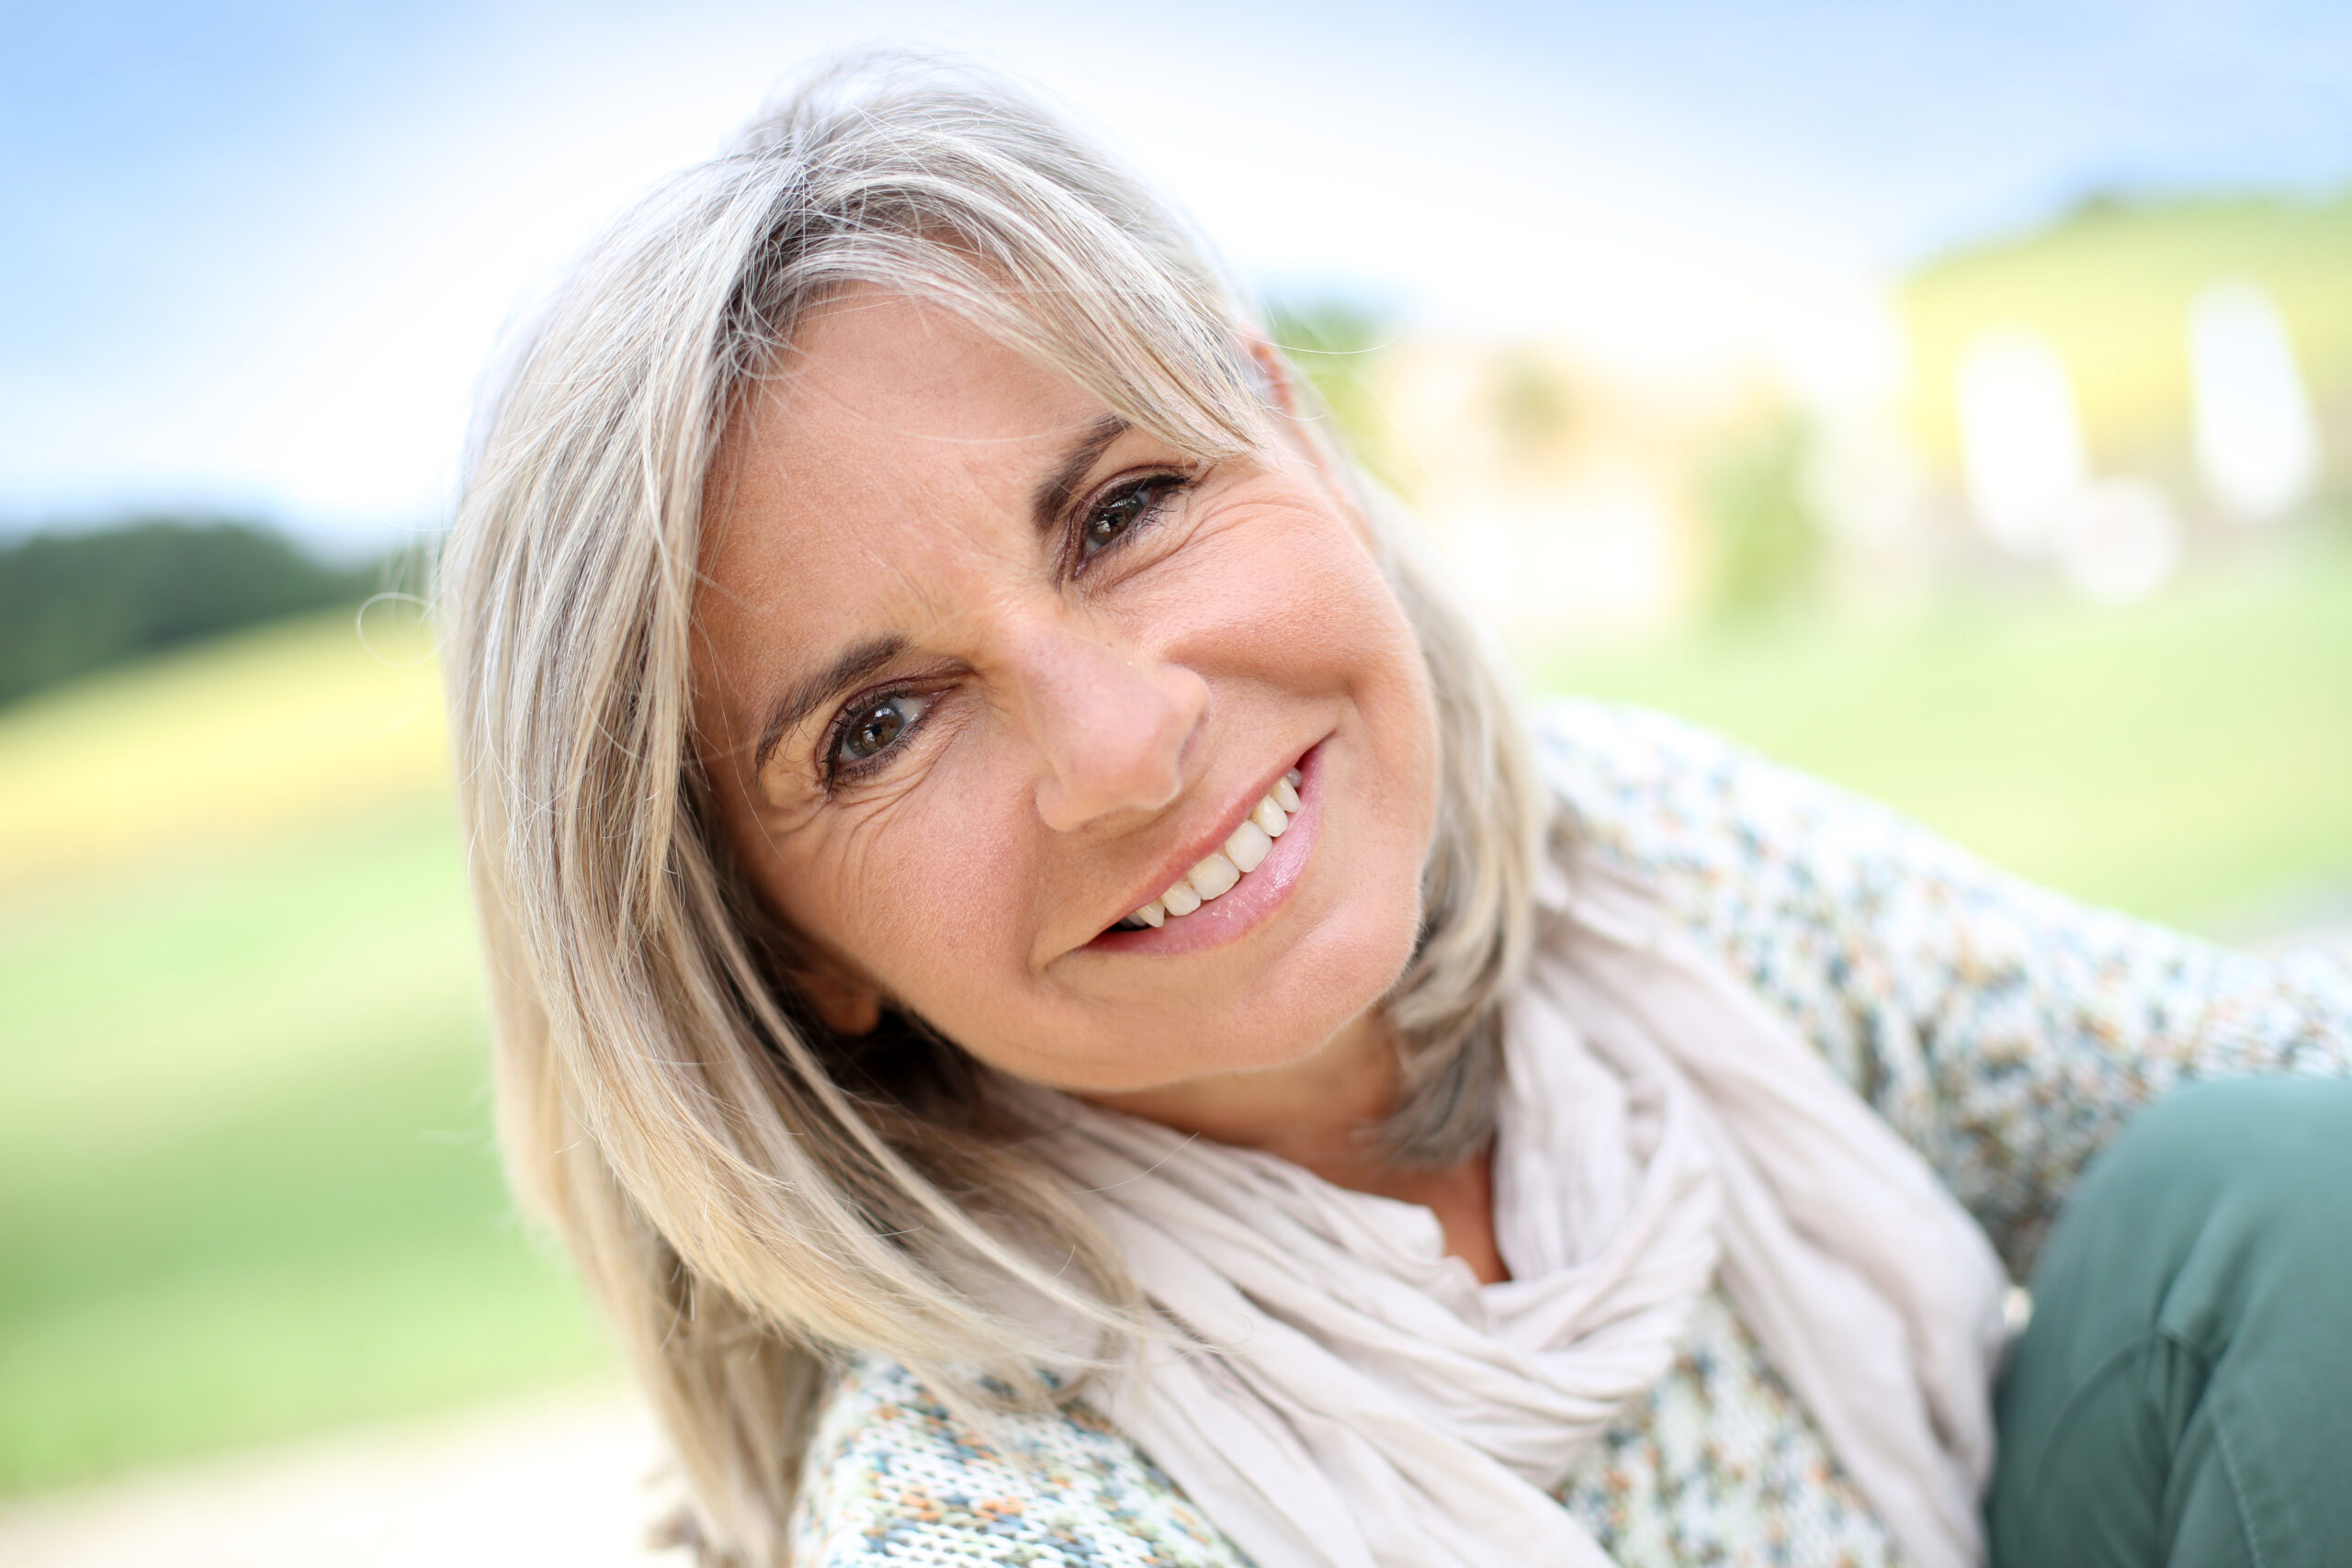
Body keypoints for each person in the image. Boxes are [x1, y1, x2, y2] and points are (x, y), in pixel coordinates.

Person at [436, 54, 2352, 1568]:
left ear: (1298, 443)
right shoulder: (979, 1512)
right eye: (877, 722)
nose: (1121, 748)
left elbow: (2286, 1094)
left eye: (1123, 511)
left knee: (2269, 1195)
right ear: (782, 942)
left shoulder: (1651, 866)